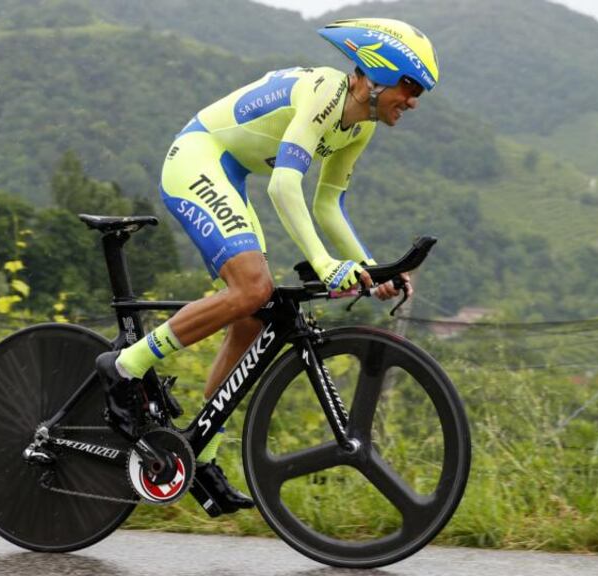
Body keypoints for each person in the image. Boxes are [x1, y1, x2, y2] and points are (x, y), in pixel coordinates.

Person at [97, 18, 439, 515]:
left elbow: (327, 206)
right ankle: (127, 366)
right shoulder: (325, 92)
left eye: (420, 92)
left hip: (229, 170)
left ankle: (201, 453)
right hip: (198, 156)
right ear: (379, 73)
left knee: (251, 319)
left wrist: (369, 269)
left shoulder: (359, 127)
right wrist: (325, 264)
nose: (414, 101)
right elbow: (283, 186)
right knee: (254, 287)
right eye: (411, 86)